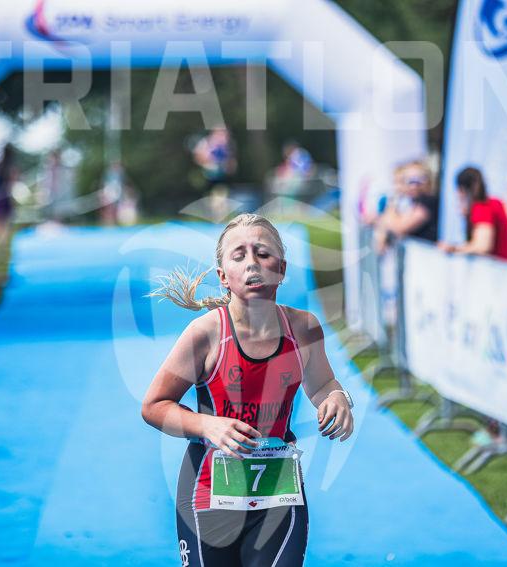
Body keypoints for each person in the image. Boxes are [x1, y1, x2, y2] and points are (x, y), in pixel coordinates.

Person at [142, 213, 354, 567]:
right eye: (239, 256)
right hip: (207, 494)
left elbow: (323, 385)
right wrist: (207, 425)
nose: (252, 263)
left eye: (263, 253)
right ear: (223, 276)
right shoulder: (205, 334)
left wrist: (338, 398)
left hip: (278, 495)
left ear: (281, 269)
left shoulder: (303, 328)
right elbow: (154, 405)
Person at [439, 166, 507, 262]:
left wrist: (453, 249)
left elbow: (482, 246)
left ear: (461, 190)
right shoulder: (495, 203)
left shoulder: (481, 208)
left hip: (500, 268)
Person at [374, 160, 439, 253]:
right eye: (409, 180)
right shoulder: (412, 202)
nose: (414, 185)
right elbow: (386, 223)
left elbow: (399, 227)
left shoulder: (429, 201)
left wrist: (393, 202)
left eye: (420, 179)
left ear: (428, 180)